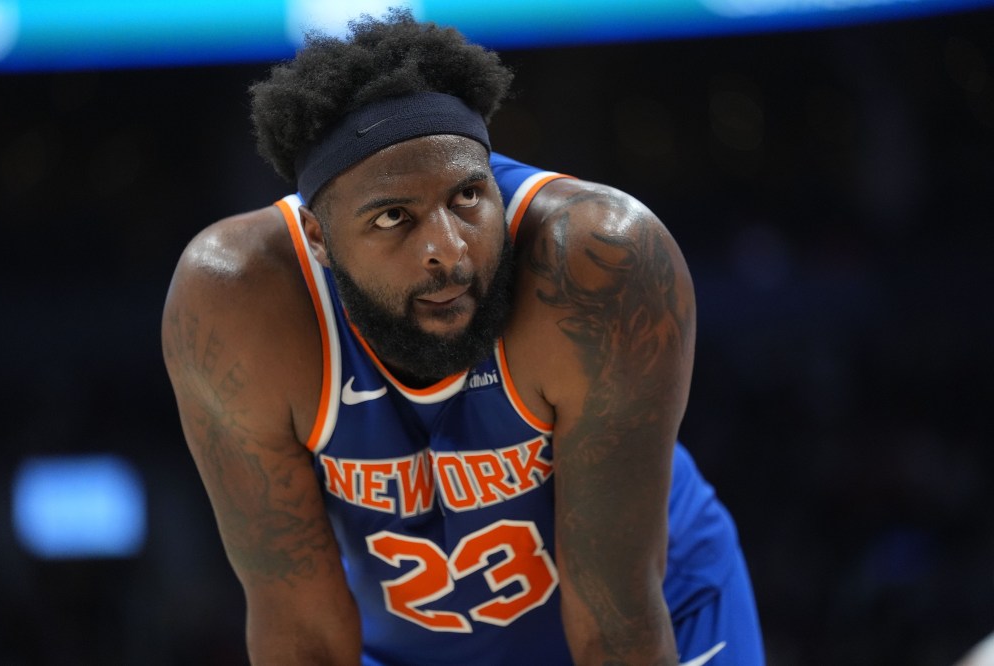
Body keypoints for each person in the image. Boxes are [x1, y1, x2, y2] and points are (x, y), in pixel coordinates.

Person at [162, 9, 763, 665]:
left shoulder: (595, 265)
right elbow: (302, 634)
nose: (448, 251)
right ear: (317, 238)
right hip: (398, 649)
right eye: (395, 217)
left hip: (655, 615)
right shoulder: (237, 302)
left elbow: (616, 629)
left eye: (467, 198)